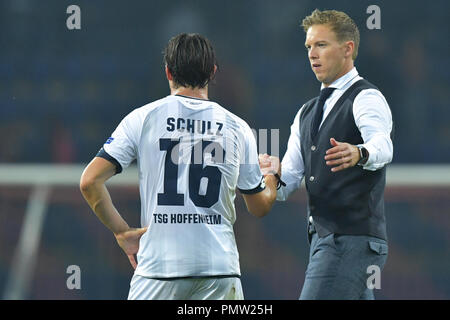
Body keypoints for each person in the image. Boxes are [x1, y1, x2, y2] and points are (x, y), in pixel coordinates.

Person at [79, 33, 279, 300]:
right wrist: (271, 175)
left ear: (168, 72)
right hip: (218, 271)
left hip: (159, 270)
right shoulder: (237, 127)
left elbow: (89, 182)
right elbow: (259, 206)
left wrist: (122, 231)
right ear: (213, 72)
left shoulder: (143, 118)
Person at [259, 9, 393, 299]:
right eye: (309, 46)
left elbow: (383, 145)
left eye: (321, 45)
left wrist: (360, 152)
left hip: (350, 241)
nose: (311, 54)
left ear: (348, 49)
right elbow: (289, 181)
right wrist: (271, 172)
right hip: (326, 241)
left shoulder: (366, 97)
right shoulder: (305, 112)